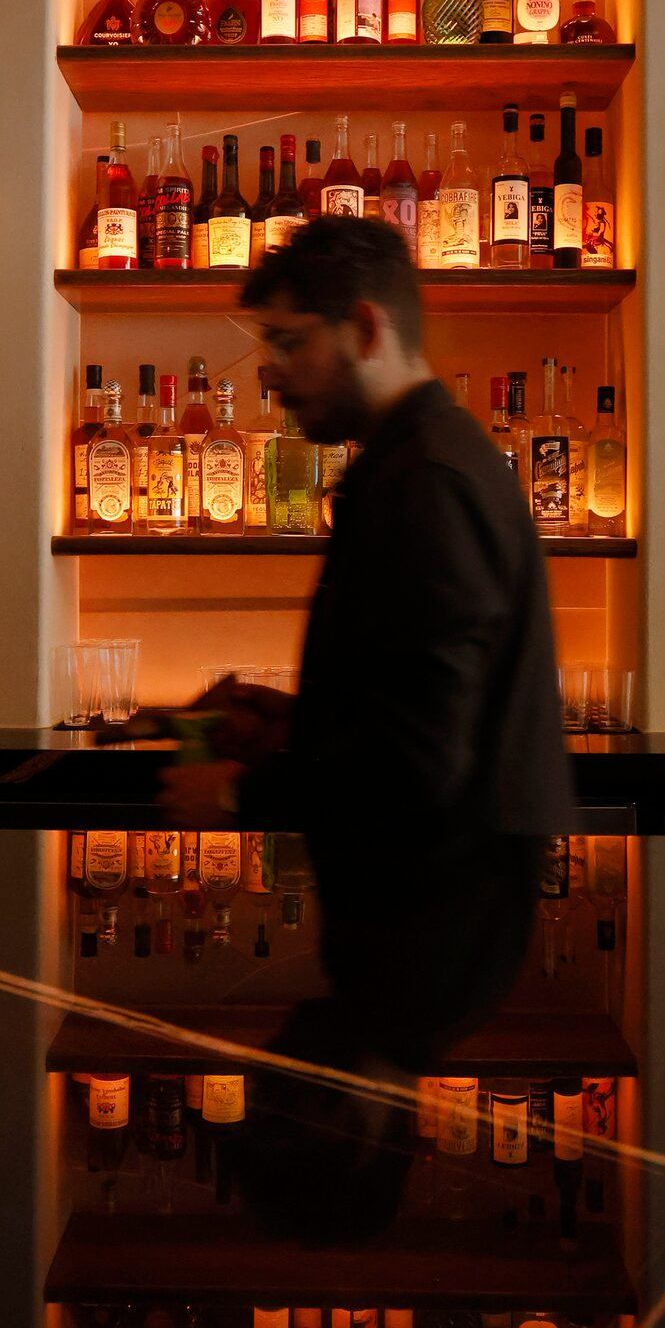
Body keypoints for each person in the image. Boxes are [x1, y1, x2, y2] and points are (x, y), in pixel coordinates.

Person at [158, 216, 575, 1239]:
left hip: (435, 891)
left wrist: (243, 792)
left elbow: (422, 760)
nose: (278, 378)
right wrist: (285, 724)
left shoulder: (426, 481)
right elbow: (418, 714)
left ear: (365, 325)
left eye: (290, 345)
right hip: (438, 897)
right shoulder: (419, 465)